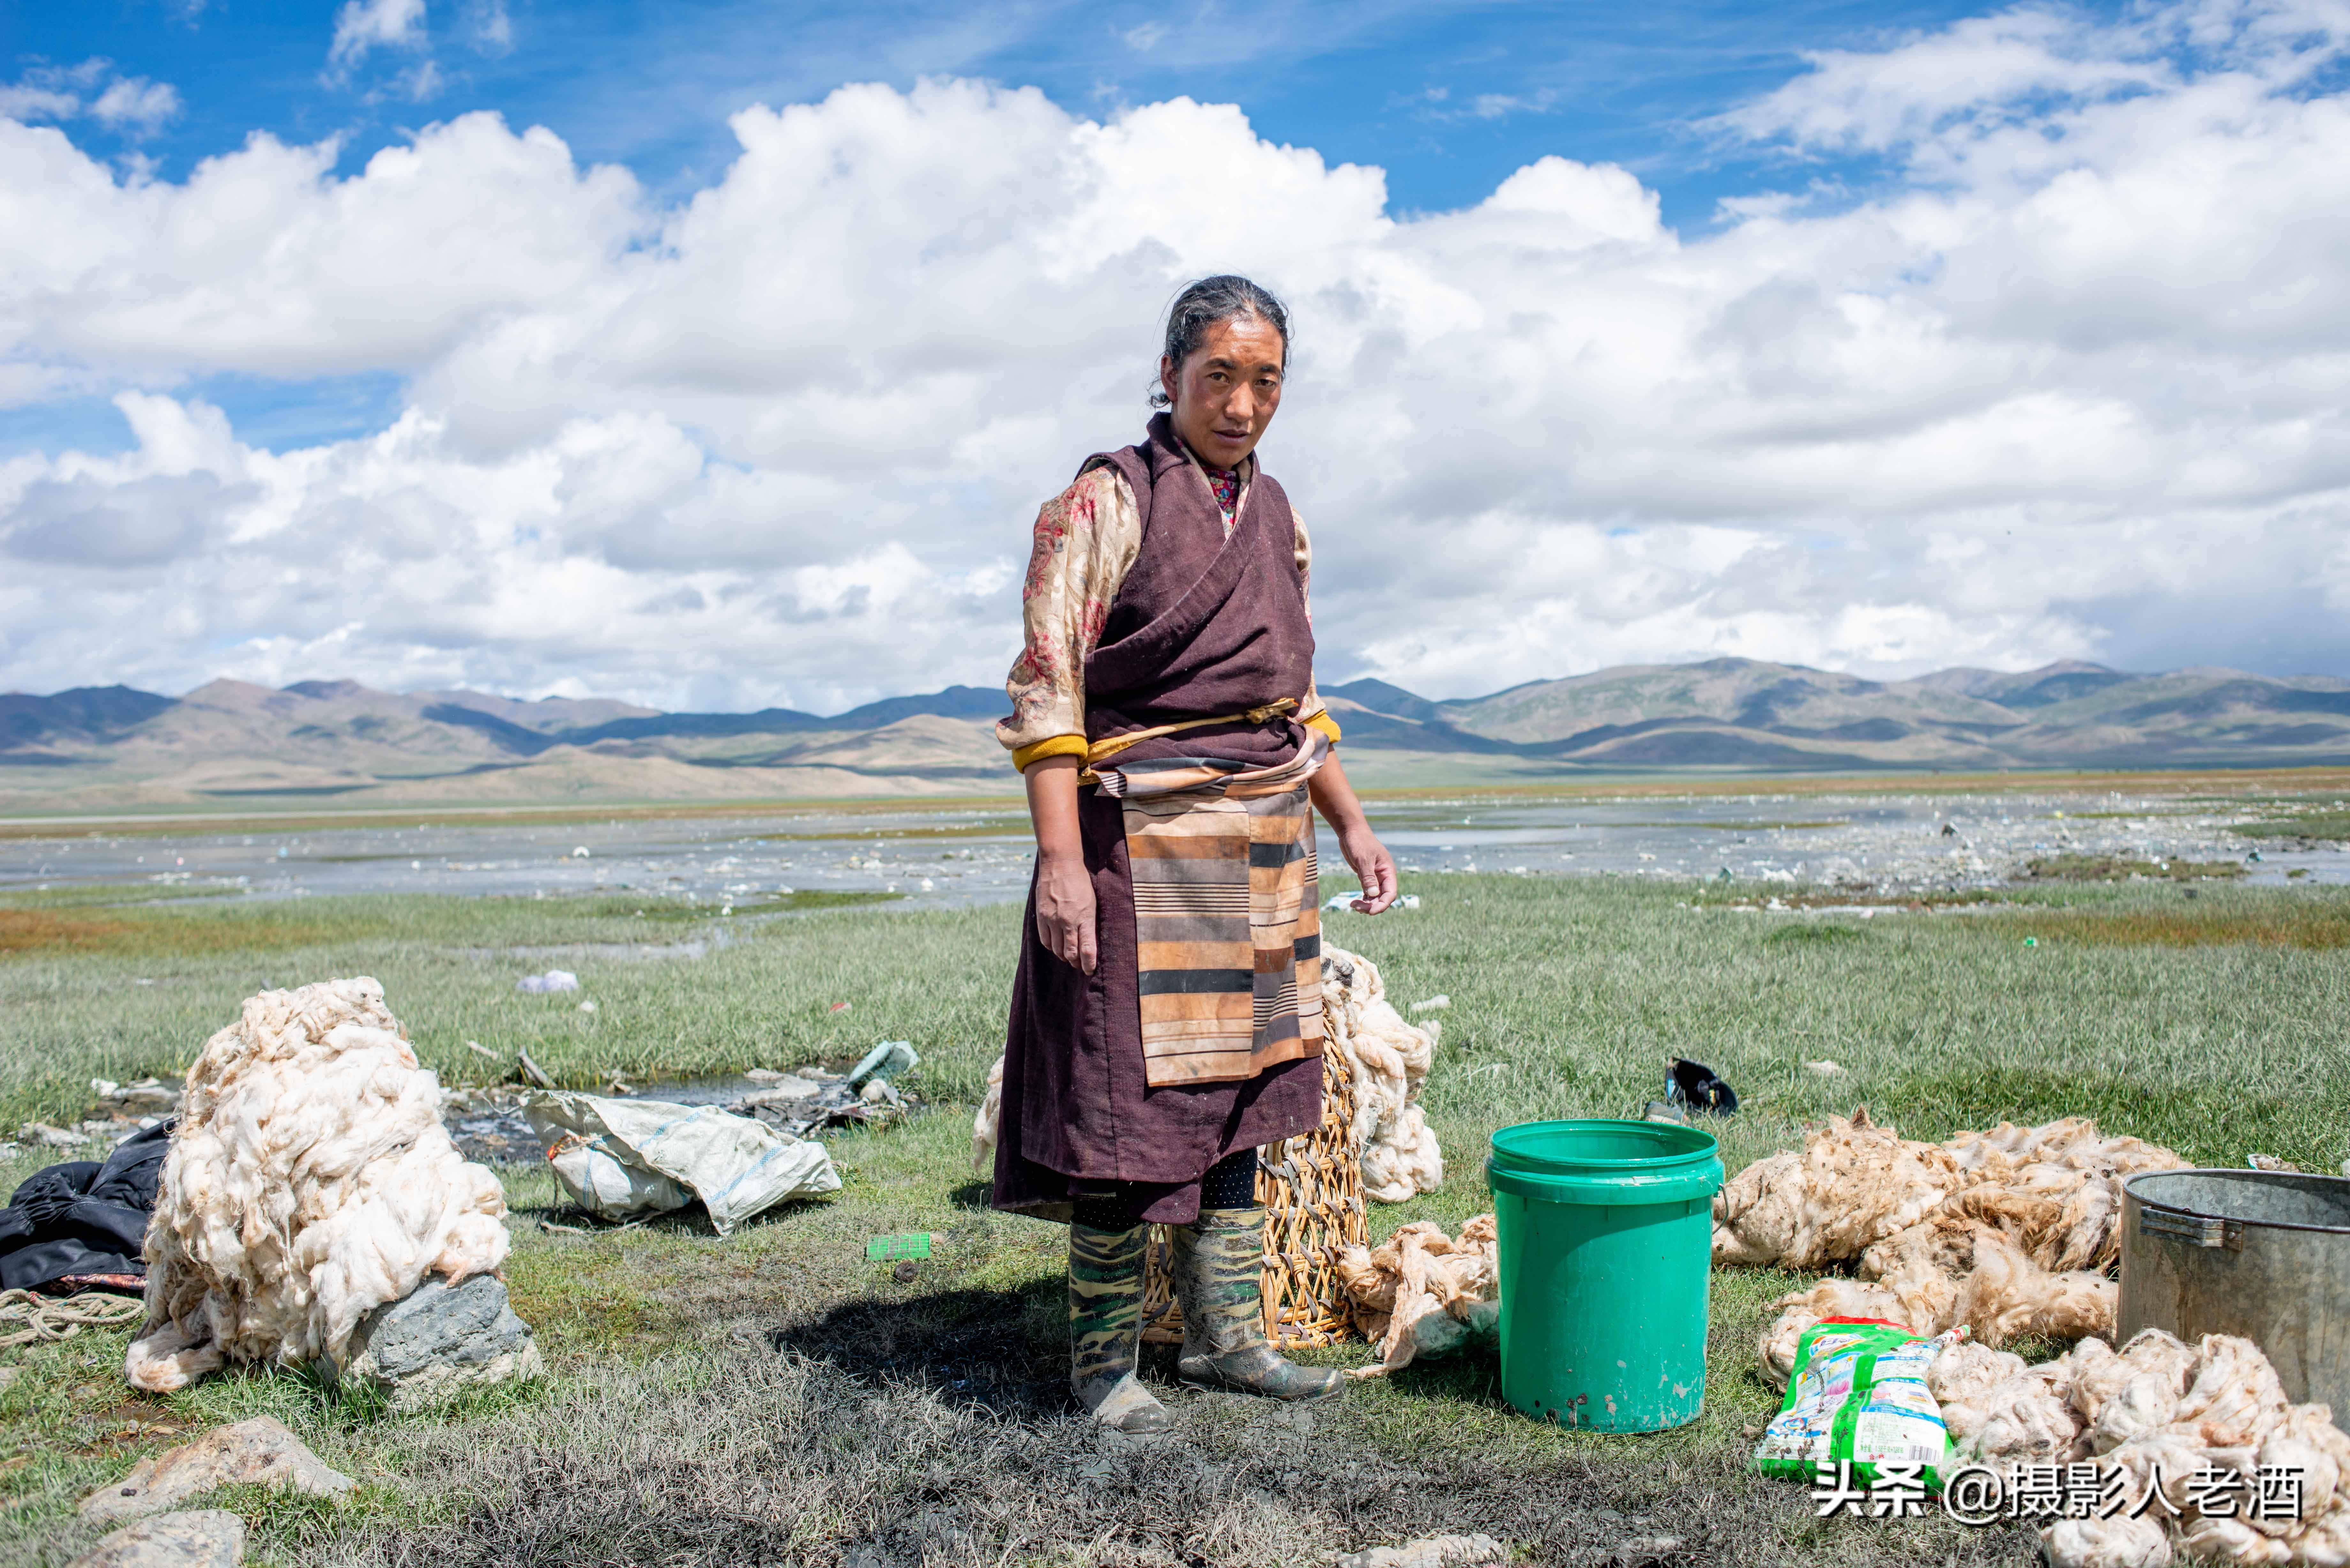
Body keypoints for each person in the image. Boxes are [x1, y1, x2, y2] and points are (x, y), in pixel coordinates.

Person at [992, 275, 1399, 1434]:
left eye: (1266, 379)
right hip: (1138, 848)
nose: (1243, 402)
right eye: (1219, 375)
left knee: (1248, 1105)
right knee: (1124, 1120)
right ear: (1169, 376)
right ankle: (1103, 1370)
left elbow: (1292, 697)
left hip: (1264, 842)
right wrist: (1062, 865)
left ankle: (1229, 1342)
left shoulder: (1280, 516)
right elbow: (1048, 685)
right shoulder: (1099, 505)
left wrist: (1352, 821)